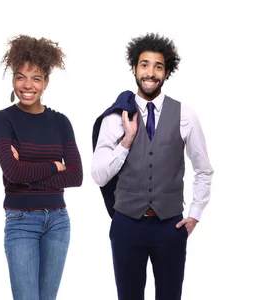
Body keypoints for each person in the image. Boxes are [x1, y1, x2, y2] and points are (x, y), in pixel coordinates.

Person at [91, 33, 214, 300]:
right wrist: (127, 139)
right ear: (134, 69)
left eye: (158, 66)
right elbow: (99, 175)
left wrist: (194, 214)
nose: (150, 72)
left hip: (170, 226)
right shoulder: (115, 117)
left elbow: (204, 170)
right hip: (126, 224)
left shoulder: (186, 115)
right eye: (144, 65)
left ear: (167, 72)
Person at [0, 35, 83, 300]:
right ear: (12, 79)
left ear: (46, 83)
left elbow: (76, 176)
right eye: (20, 77)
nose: (27, 85)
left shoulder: (61, 122)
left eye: (36, 78)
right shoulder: (2, 119)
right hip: (21, 220)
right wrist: (55, 165)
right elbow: (13, 173)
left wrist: (27, 173)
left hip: (58, 221)